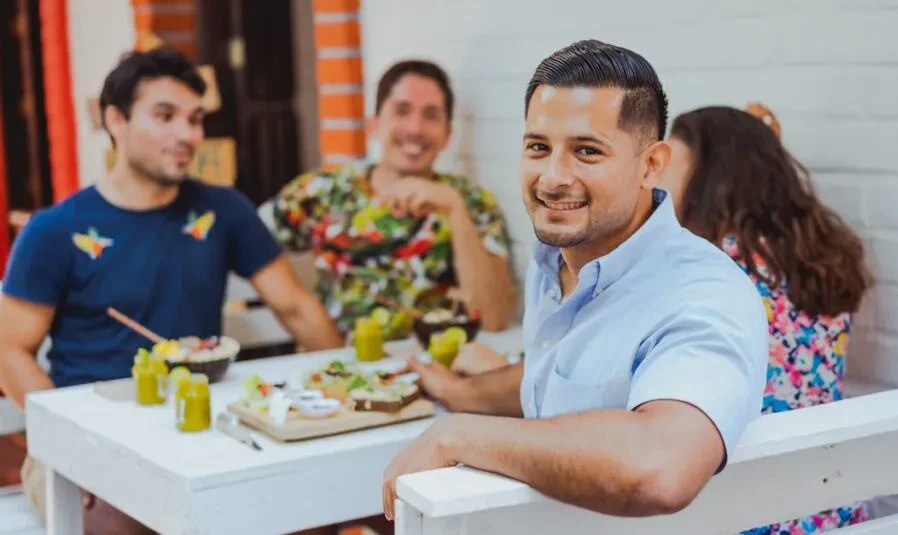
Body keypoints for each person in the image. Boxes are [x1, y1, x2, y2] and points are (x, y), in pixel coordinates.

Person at [381, 39, 769, 521]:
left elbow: (660, 466)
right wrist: (459, 395)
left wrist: (456, 433)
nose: (552, 177)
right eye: (538, 148)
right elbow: (565, 372)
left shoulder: (705, 292)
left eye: (587, 151)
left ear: (651, 165)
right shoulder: (556, 259)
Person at [0, 47, 343, 533]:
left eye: (196, 119)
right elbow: (10, 352)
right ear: (115, 120)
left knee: (314, 503)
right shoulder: (54, 230)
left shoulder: (224, 210)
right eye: (165, 116)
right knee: (128, 522)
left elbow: (295, 305)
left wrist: (343, 388)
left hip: (202, 432)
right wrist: (72, 448)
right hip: (85, 449)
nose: (188, 135)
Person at [663, 104, 873, 533]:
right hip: (830, 506)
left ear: (709, 183)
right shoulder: (818, 254)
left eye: (671, 165)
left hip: (741, 512)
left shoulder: (702, 268)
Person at [258, 59, 516, 338]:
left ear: (447, 135)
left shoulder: (472, 202)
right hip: (343, 369)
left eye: (431, 115)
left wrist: (454, 210)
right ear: (374, 125)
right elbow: (246, 236)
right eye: (401, 111)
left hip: (441, 366)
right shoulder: (322, 192)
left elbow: (494, 319)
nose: (415, 128)